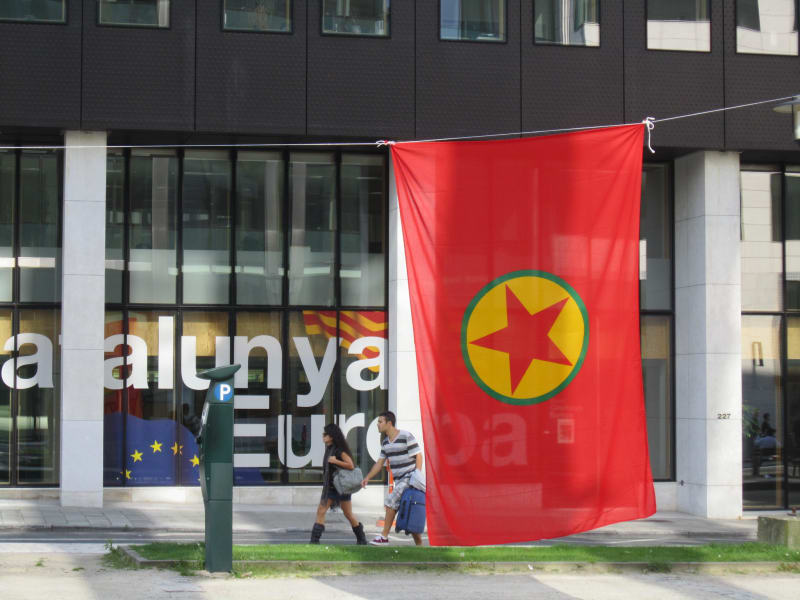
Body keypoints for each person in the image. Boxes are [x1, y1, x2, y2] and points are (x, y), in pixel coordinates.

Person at [360, 411, 423, 546]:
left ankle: (384, 537)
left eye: (380, 421)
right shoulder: (385, 443)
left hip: (409, 478)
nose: (377, 424)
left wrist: (416, 476)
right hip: (399, 480)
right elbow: (379, 463)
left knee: (390, 501)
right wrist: (368, 477)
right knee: (408, 512)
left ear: (389, 423)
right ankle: (420, 547)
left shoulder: (406, 436)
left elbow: (418, 456)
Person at [310, 423, 367, 545]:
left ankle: (314, 541)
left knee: (322, 511)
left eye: (325, 434)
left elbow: (351, 465)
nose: (323, 436)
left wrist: (336, 461)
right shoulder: (330, 448)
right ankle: (361, 538)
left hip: (336, 488)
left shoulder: (339, 450)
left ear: (332, 436)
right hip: (335, 487)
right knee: (346, 513)